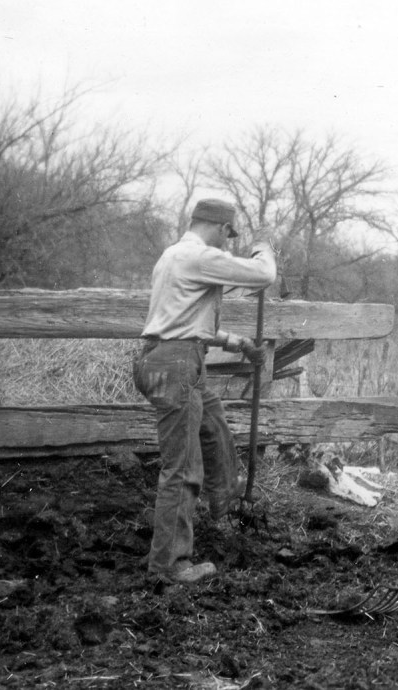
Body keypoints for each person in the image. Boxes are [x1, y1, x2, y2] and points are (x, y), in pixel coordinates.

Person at [134, 198, 276, 584]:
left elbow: (181, 321)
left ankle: (224, 504)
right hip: (177, 366)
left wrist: (237, 343)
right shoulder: (198, 256)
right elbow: (263, 275)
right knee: (181, 468)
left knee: (214, 427)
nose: (227, 245)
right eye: (228, 236)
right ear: (218, 228)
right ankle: (170, 565)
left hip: (173, 360)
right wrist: (264, 247)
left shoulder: (172, 257)